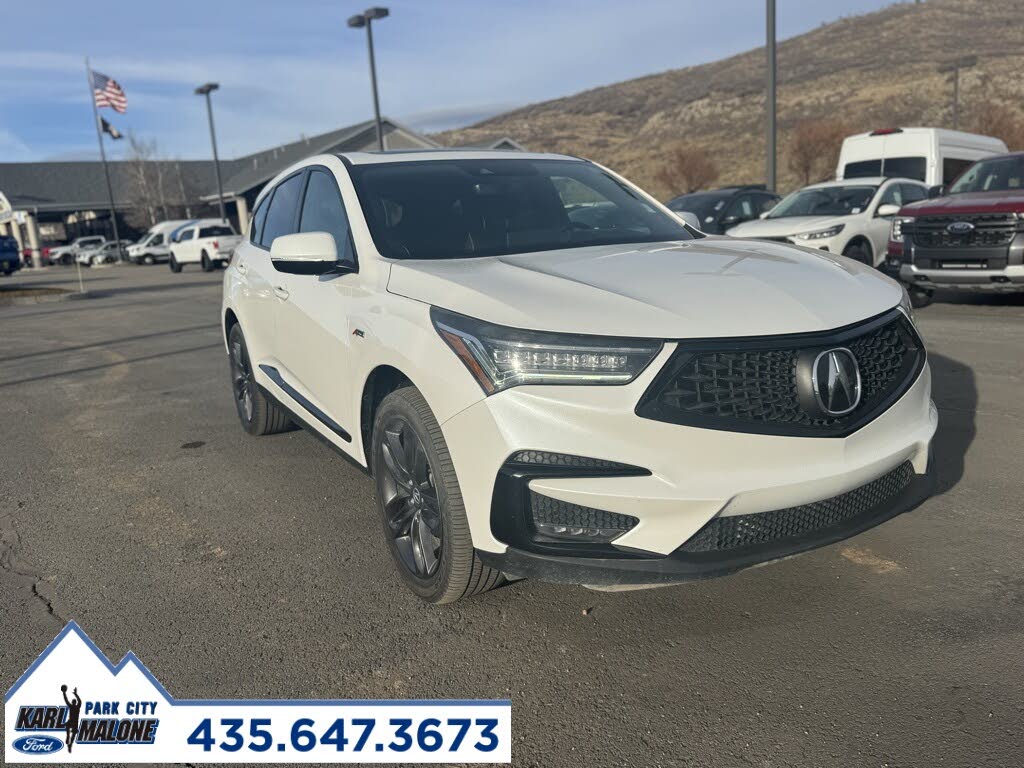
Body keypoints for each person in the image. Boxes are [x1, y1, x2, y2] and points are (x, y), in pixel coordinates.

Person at [61, 684, 82, 753]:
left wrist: (75, 694)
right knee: (68, 728)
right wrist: (64, 693)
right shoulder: (75, 706)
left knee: (72, 733)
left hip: (74, 722)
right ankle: (68, 738)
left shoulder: (75, 706)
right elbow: (66, 700)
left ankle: (70, 744)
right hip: (72, 722)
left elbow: (78, 701)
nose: (73, 702)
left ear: (74, 702)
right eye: (73, 701)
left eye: (73, 701)